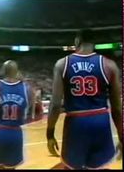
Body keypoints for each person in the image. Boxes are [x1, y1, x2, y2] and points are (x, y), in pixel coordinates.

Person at [46, 29, 122, 170]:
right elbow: (117, 108)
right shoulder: (109, 65)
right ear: (94, 44)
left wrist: (49, 133)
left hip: (76, 123)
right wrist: (122, 136)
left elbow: (55, 105)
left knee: (71, 167)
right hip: (101, 122)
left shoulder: (62, 64)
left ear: (77, 41)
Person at [0, 60, 33, 170]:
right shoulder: (27, 89)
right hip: (16, 133)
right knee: (11, 168)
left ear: (3, 71)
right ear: (17, 72)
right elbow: (29, 113)